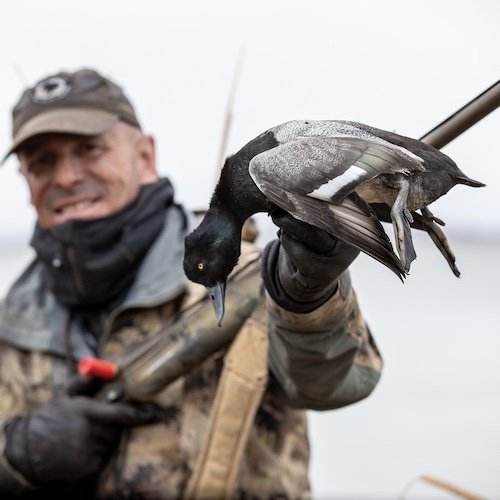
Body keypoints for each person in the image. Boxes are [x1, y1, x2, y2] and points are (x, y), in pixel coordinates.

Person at [0, 68, 382, 499]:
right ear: (26, 182)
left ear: (144, 156)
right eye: (42, 162)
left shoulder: (257, 276)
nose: (66, 177)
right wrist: (16, 459)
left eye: (89, 149)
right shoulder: (7, 320)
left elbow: (334, 383)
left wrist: (308, 292)